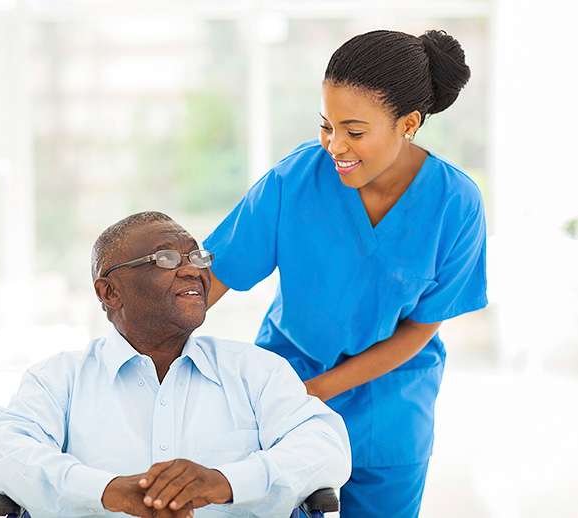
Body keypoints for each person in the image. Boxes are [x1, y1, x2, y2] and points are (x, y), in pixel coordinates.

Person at [203, 30, 487, 517]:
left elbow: (420, 328)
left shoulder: (454, 204)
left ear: (409, 123)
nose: (335, 145)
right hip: (287, 383)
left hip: (391, 401)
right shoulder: (295, 181)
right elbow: (214, 277)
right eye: (326, 126)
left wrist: (320, 390)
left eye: (354, 131)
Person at [0, 211, 351, 518]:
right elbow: (0, 449)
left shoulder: (256, 371)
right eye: (166, 258)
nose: (193, 270)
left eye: (197, 256)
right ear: (110, 292)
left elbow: (324, 446)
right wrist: (108, 492)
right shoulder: (58, 379)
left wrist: (223, 482)